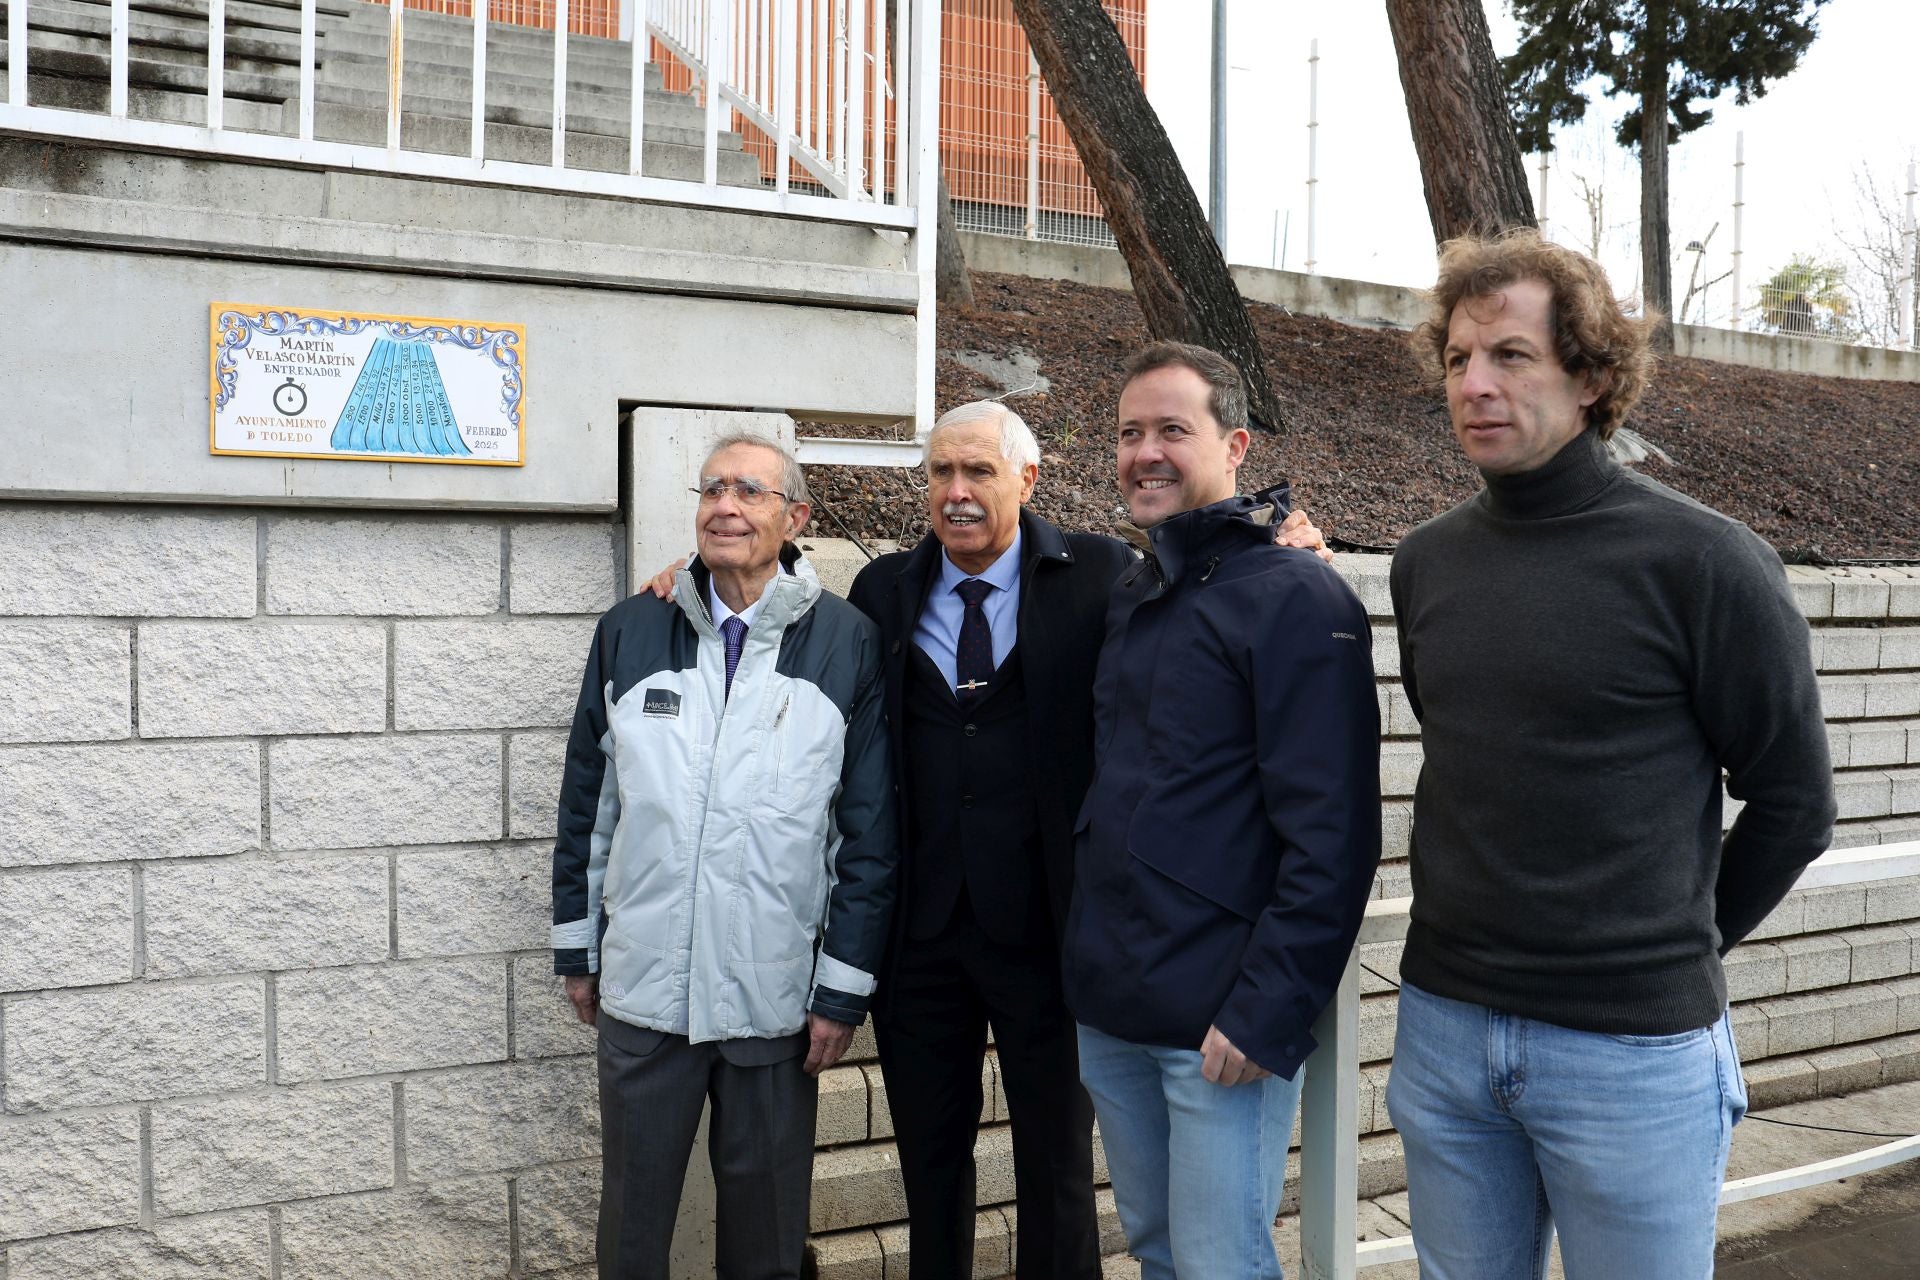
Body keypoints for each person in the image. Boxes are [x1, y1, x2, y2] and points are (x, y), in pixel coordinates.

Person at [1384, 229, 1837, 1280]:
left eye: (1511, 356)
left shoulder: (1706, 562)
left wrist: (1672, 952)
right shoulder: (1425, 563)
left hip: (1631, 1054)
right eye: (1458, 359)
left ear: (1590, 377)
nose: (1475, 384)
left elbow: (1795, 804)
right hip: (1445, 1031)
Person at [1061, 341, 1383, 1280]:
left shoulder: (1296, 594)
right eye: (1129, 433)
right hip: (1114, 1005)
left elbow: (1334, 834)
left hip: (1220, 1021)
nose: (1145, 453)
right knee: (1159, 1252)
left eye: (1173, 429)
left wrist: (1267, 1008)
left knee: (1219, 1264)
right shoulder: (1137, 591)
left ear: (1235, 444)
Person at [550, 434, 897, 1280]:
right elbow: (588, 806)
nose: (725, 507)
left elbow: (866, 834)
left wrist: (841, 991)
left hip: (773, 1005)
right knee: (631, 1235)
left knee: (767, 1246)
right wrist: (577, 948)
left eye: (748, 491)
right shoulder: (632, 629)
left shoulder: (846, 641)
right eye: (711, 490)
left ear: (796, 517)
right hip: (645, 994)